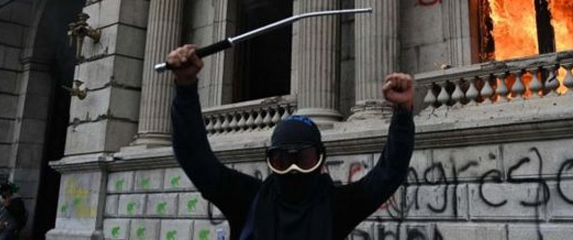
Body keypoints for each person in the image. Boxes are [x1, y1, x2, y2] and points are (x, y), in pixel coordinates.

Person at [168, 44, 415, 240]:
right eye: (283, 160)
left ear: (320, 160)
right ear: (270, 161)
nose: (294, 169)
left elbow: (388, 174)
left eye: (303, 159)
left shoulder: (337, 206)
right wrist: (186, 87)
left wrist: (403, 112)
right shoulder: (247, 198)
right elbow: (195, 159)